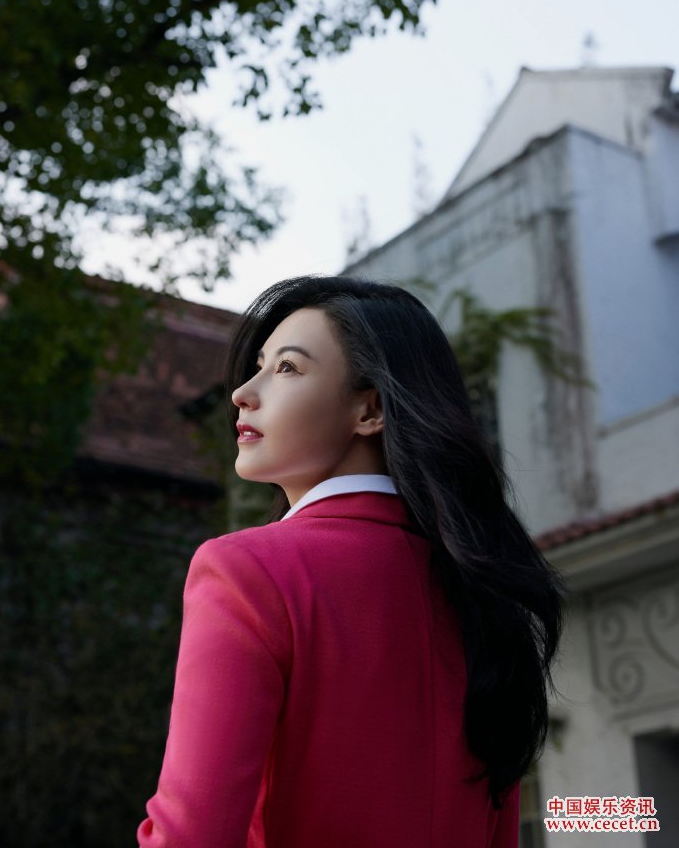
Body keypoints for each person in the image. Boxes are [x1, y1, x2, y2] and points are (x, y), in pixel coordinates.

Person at [138, 275, 564, 848]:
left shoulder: (247, 572)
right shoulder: (483, 592)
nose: (243, 392)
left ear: (370, 409)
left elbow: (193, 835)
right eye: (258, 366)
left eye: (287, 368)